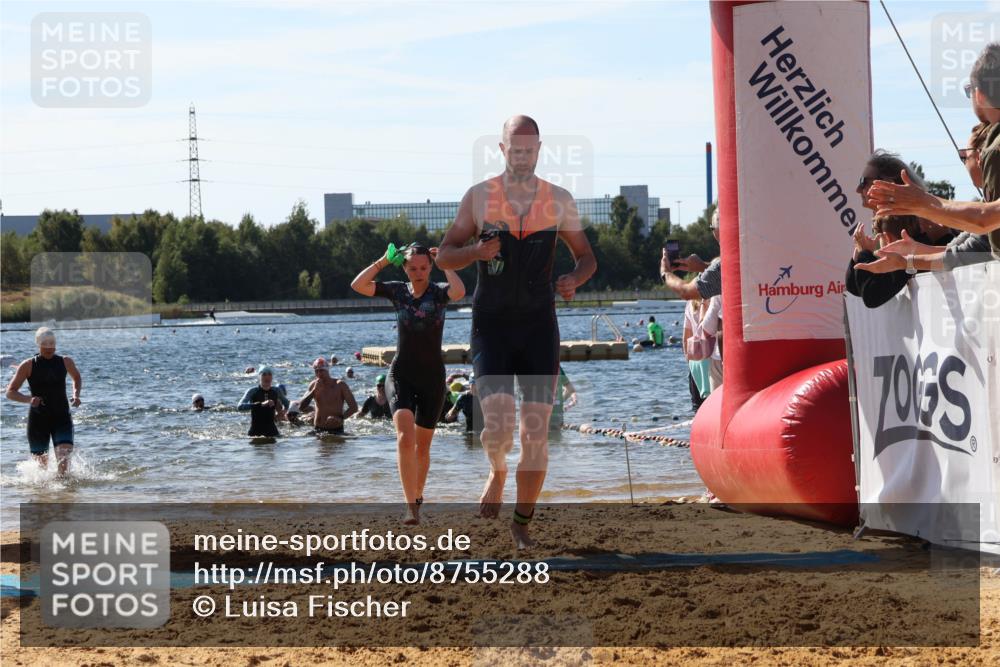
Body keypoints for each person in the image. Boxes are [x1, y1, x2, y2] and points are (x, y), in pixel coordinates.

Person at [436, 115, 597, 548]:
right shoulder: (479, 198)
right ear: (503, 150)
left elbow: (587, 257)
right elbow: (445, 256)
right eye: (515, 149)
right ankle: (497, 469)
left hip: (539, 326)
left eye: (530, 150)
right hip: (491, 325)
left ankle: (522, 522)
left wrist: (574, 279)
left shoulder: (558, 200)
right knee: (500, 427)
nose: (522, 157)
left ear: (539, 150)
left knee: (536, 431)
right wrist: (475, 251)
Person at [351, 244, 465, 525]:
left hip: (433, 378)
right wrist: (383, 260)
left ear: (431, 266)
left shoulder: (439, 292)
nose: (418, 273)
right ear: (404, 268)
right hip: (401, 373)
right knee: (405, 439)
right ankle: (410, 507)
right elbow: (358, 285)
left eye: (424, 267)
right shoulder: (397, 291)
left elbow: (460, 292)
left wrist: (445, 262)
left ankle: (418, 496)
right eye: (412, 268)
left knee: (423, 449)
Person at [858, 125, 996, 274]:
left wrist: (905, 260)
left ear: (981, 157)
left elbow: (972, 246)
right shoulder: (985, 203)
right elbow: (962, 250)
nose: (858, 189)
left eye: (964, 156)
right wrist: (915, 251)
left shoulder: (917, 220)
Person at [4, 327, 82, 474]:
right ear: (38, 344)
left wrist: (76, 394)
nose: (49, 348)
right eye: (45, 345)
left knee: (64, 464)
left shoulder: (65, 362)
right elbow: (10, 392)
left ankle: (66, 496)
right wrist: (29, 399)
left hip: (62, 417)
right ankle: (43, 496)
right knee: (41, 472)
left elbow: (76, 378)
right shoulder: (28, 365)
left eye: (52, 345)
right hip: (38, 420)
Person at [661, 209, 722, 300]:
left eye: (711, 228)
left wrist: (665, 273)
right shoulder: (746, 254)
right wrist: (704, 266)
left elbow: (686, 292)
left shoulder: (721, 266)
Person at [300, 357, 358, 435]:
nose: (319, 374)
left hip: (336, 429)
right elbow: (301, 407)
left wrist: (341, 418)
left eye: (321, 371)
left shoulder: (340, 385)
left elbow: (354, 407)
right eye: (316, 371)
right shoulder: (313, 385)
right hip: (318, 429)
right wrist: (314, 391)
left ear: (327, 370)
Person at [683, 297, 721, 408]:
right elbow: (708, 328)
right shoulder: (713, 300)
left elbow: (686, 336)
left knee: (697, 407)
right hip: (711, 356)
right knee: (713, 405)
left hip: (694, 360)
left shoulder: (690, 303)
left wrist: (689, 361)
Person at [237, 366, 289, 437]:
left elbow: (287, 403)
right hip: (255, 431)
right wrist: (260, 404)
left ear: (272, 377)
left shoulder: (276, 390)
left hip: (272, 431)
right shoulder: (252, 391)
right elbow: (240, 406)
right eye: (264, 374)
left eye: (269, 374)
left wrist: (282, 412)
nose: (267, 377)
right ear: (259, 376)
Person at [547, 367, 578, 433]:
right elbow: (570, 390)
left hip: (542, 415)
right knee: (557, 440)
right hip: (557, 416)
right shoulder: (558, 368)